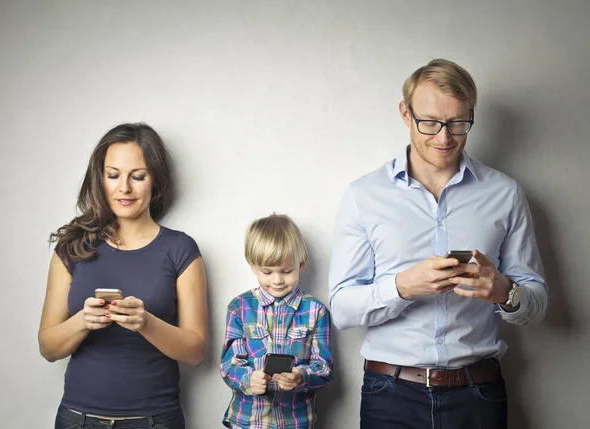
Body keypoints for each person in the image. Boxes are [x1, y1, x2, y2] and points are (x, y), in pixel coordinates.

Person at [328, 59, 548, 429]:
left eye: (458, 124)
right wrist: (403, 287)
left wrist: (504, 291)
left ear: (471, 115)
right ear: (405, 114)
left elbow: (538, 303)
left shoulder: (505, 194)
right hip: (390, 395)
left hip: (478, 394)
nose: (444, 138)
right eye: (429, 122)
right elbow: (342, 308)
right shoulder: (363, 195)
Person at [38, 123, 208, 429]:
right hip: (79, 418)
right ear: (100, 179)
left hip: (155, 420)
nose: (124, 188)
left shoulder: (181, 248)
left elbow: (195, 351)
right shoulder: (72, 247)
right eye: (113, 175)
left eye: (138, 176)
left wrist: (146, 323)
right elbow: (48, 347)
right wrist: (83, 321)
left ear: (155, 181)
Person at [220, 214, 333, 429]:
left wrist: (301, 376)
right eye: (267, 271)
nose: (277, 280)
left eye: (286, 271)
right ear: (252, 265)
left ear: (301, 264)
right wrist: (248, 379)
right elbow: (228, 365)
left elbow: (324, 368)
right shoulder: (239, 307)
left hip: (296, 422)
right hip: (248, 422)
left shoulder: (316, 311)